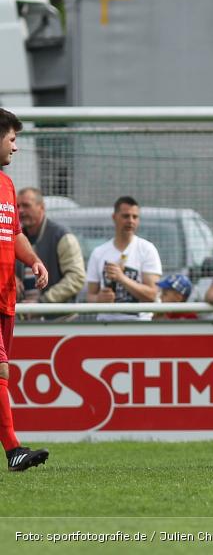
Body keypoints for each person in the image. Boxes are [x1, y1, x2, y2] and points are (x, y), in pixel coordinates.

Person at [0, 108, 51, 471]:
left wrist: (32, 260)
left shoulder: (6, 185)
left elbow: (14, 233)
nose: (15, 148)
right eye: (12, 139)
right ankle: (14, 450)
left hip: (5, 297)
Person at [86, 196, 162, 322]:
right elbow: (90, 296)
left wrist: (122, 278)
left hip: (139, 325)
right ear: (114, 217)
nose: (131, 221)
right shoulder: (98, 253)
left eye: (135, 217)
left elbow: (152, 295)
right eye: (125, 216)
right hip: (106, 325)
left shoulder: (147, 250)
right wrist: (99, 299)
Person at [15, 187, 86, 307]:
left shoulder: (62, 237)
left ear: (41, 207)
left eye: (26, 205)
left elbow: (76, 278)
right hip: (24, 319)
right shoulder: (14, 238)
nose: (20, 210)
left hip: (59, 320)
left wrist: (43, 302)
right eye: (17, 206)